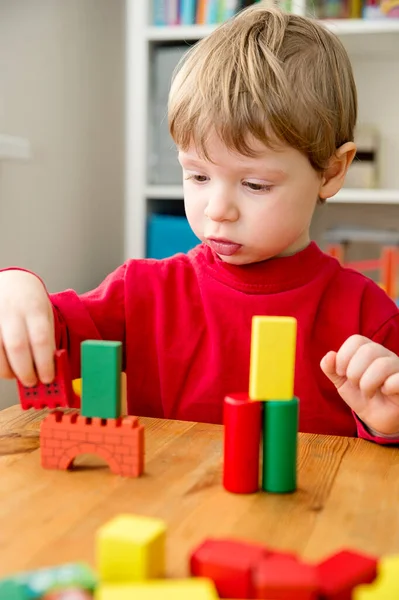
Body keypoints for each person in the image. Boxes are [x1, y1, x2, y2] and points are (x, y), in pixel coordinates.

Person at [1, 4, 399, 444]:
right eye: (198, 176)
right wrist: (14, 290)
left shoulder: (369, 317)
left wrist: (386, 423)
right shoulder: (142, 292)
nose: (216, 209)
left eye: (254, 184)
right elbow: (43, 342)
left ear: (332, 171)